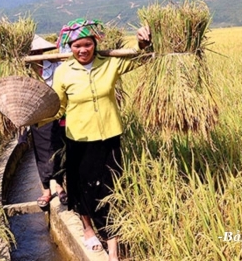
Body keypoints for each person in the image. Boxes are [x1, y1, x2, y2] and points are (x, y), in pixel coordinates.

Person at [50, 18, 151, 261]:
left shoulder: (111, 64)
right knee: (82, 187)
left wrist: (143, 43)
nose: (82, 50)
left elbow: (142, 58)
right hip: (79, 139)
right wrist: (38, 115)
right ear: (70, 48)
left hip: (110, 137)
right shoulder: (64, 72)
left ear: (95, 44)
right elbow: (58, 107)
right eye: (76, 46)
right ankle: (87, 229)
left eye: (86, 44)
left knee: (111, 187)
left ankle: (113, 249)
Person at [30, 37, 71, 208]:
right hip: (36, 118)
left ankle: (61, 187)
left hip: (57, 114)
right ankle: (46, 190)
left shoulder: (54, 65)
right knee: (41, 154)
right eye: (32, 53)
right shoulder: (23, 69)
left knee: (60, 150)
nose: (35, 55)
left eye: (38, 52)